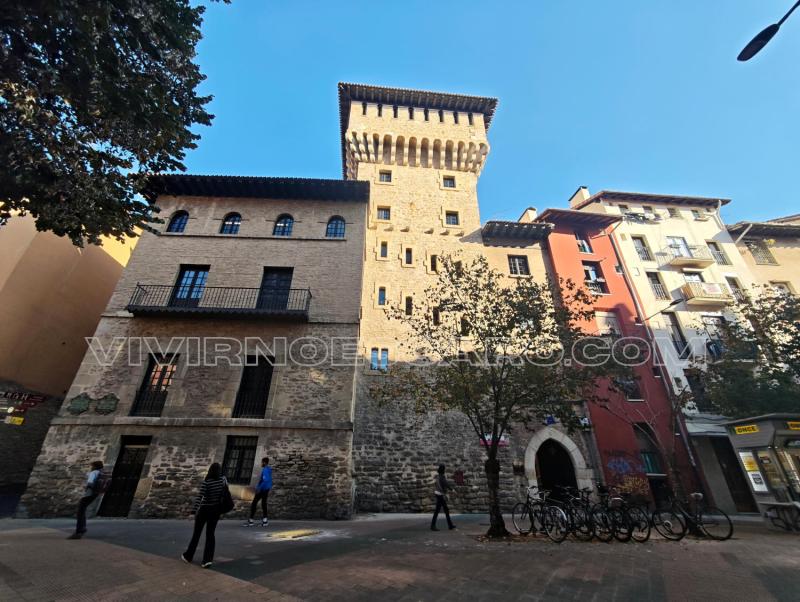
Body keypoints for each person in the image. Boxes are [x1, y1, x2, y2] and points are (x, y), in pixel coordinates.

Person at [182, 462, 227, 568]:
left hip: (204, 510)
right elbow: (225, 494)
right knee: (210, 535)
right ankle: (207, 560)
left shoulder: (207, 482)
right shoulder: (223, 481)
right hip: (215, 511)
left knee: (196, 534)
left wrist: (193, 512)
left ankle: (188, 556)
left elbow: (199, 497)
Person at [68, 460, 105, 540]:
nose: (91, 467)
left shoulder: (93, 473)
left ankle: (79, 531)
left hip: (89, 493)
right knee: (82, 510)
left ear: (95, 466)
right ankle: (82, 529)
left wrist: (87, 490)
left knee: (80, 511)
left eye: (92, 466)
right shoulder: (101, 472)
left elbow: (90, 483)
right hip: (95, 494)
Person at [245, 457, 272, 527]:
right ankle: (265, 521)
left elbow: (265, 480)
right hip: (266, 488)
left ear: (264, 462)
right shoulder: (268, 469)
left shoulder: (265, 469)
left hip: (263, 489)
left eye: (262, 462)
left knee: (254, 503)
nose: (261, 463)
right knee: (263, 504)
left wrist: (259, 488)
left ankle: (251, 521)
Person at [431, 464, 456, 531]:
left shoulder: (438, 476)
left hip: (438, 494)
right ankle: (433, 526)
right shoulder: (442, 477)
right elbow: (446, 484)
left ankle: (450, 525)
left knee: (444, 510)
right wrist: (452, 489)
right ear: (443, 470)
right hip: (440, 495)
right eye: (444, 469)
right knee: (440, 511)